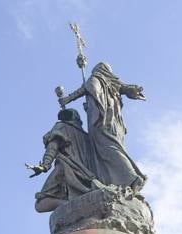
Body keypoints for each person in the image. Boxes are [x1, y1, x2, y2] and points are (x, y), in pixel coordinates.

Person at [59, 61, 146, 191]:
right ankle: (115, 181)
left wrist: (66, 99)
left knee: (108, 149)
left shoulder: (95, 79)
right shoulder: (112, 85)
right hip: (114, 124)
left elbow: (82, 91)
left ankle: (132, 178)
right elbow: (126, 88)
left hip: (100, 122)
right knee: (113, 148)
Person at [26, 108, 99, 212]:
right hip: (90, 176)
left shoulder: (61, 127)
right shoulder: (87, 137)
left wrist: (45, 165)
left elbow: (53, 147)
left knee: (40, 203)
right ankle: (77, 205)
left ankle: (71, 205)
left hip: (66, 168)